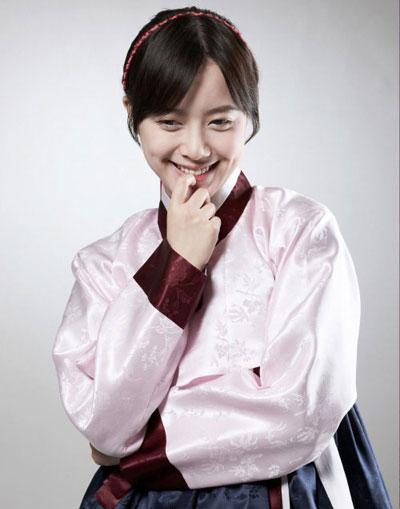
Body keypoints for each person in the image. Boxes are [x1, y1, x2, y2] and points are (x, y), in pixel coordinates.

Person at [52, 6, 392, 509]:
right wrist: (178, 266)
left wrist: (137, 449)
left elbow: (302, 409)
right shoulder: (104, 262)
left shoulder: (299, 231)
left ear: (249, 116)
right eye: (169, 121)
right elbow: (106, 420)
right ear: (133, 115)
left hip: (285, 494)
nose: (195, 148)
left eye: (220, 121)